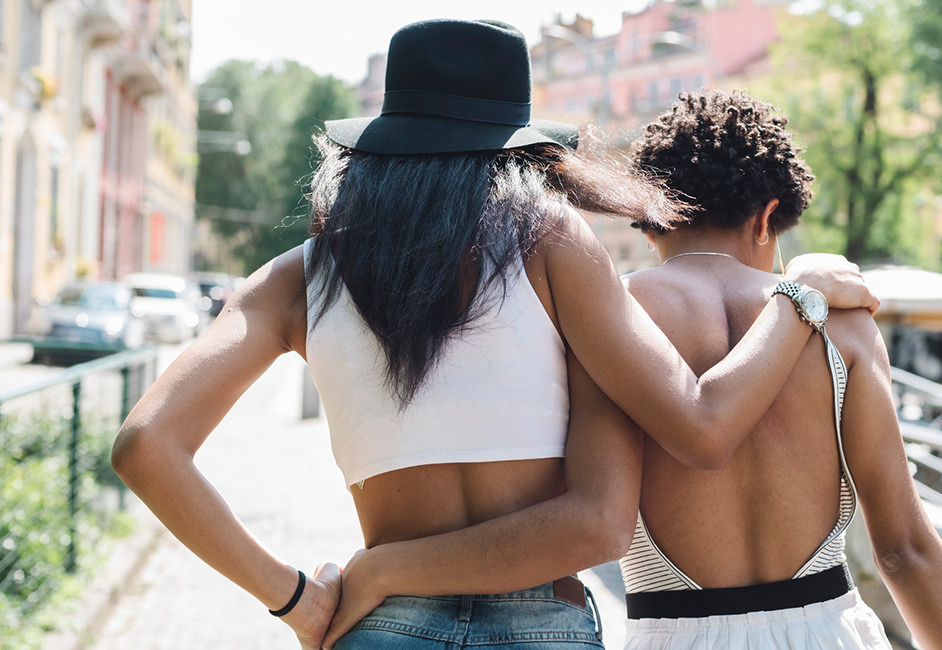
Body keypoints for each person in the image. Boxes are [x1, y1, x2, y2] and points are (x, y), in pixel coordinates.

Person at [111, 21, 875, 650]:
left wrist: (300, 598)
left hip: (379, 630)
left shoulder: (293, 279)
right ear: (518, 146)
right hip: (539, 626)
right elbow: (649, 480)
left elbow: (146, 447)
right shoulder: (551, 243)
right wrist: (796, 296)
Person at [326, 90, 942, 650]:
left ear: (648, 222)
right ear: (767, 220)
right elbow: (904, 549)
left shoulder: (614, 317)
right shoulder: (839, 321)